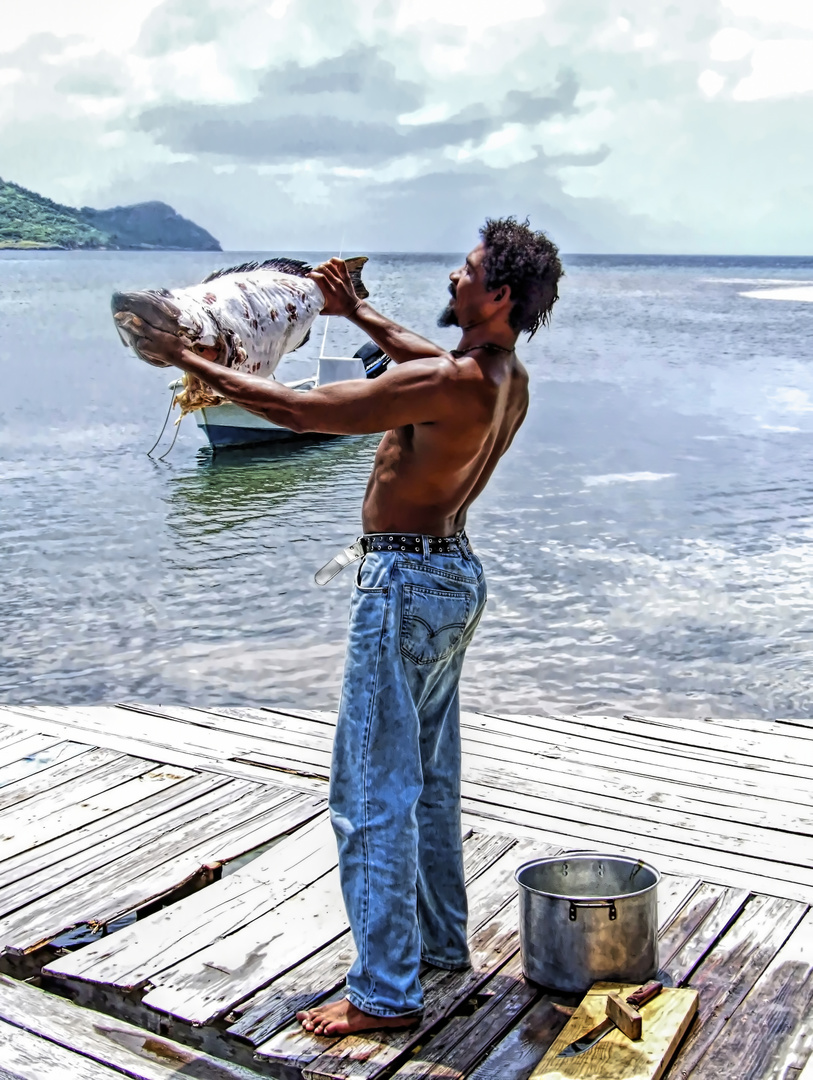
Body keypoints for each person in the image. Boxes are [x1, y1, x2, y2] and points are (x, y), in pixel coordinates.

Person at [131, 216, 563, 1037]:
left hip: (402, 582)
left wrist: (192, 359)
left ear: (496, 293)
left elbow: (300, 412)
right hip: (453, 577)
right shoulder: (504, 375)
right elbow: (423, 358)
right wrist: (355, 312)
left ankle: (383, 992)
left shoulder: (445, 384)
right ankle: (435, 949)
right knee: (426, 785)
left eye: (465, 270)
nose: (451, 280)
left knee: (369, 795)